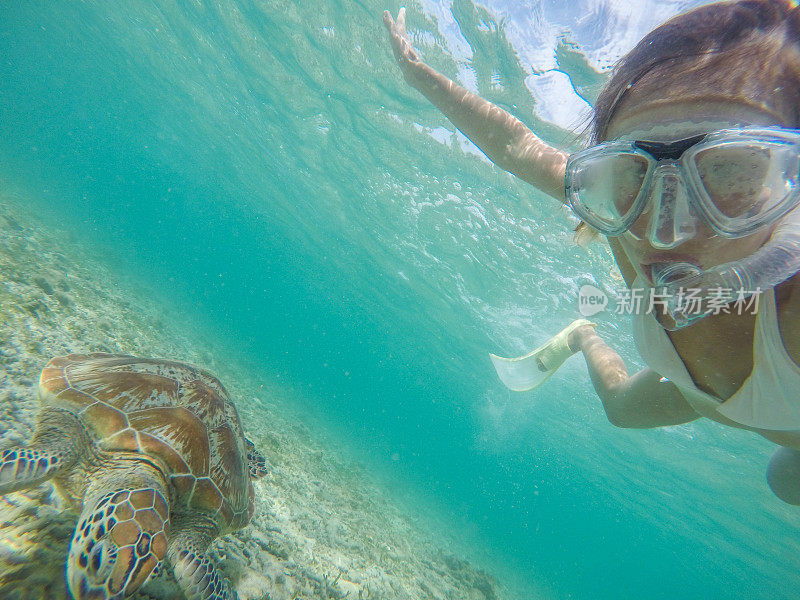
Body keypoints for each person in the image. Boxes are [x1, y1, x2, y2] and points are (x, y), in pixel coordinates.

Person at [383, 0, 800, 504]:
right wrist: (418, 76)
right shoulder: (616, 215)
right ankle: (584, 336)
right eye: (630, 175)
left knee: (784, 484)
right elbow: (515, 146)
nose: (665, 231)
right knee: (621, 408)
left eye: (731, 170)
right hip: (700, 395)